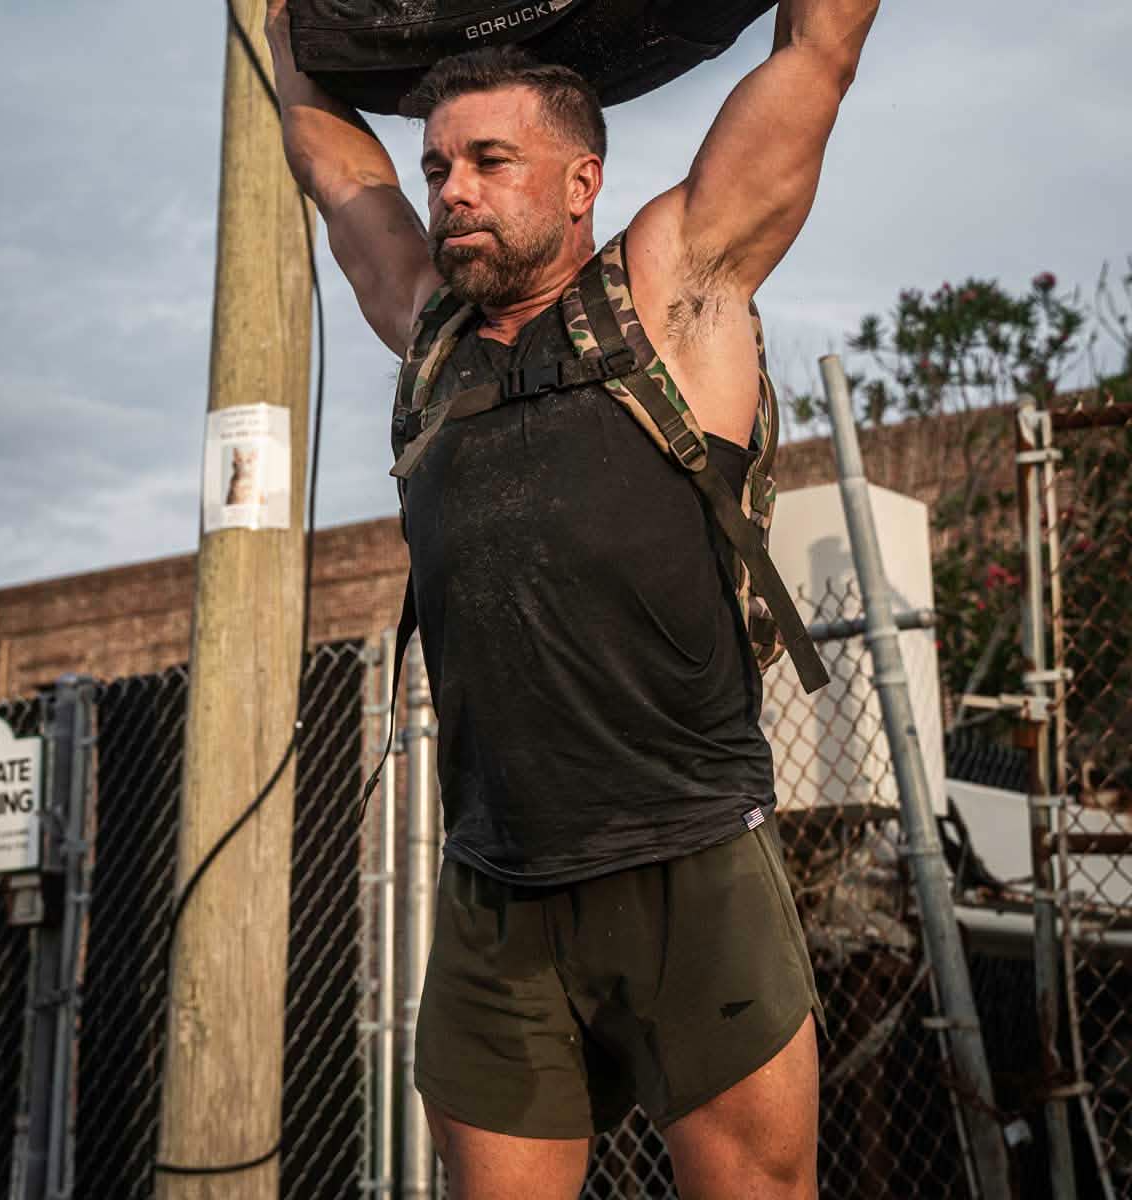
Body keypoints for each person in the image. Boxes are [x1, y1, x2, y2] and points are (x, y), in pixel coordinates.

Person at [267, 3, 879, 1196]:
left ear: (583, 176)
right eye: (440, 164)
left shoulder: (674, 286)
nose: (451, 189)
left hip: (689, 861)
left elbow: (818, 55)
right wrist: (282, 27)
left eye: (491, 161)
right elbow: (332, 156)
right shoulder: (433, 338)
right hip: (498, 884)